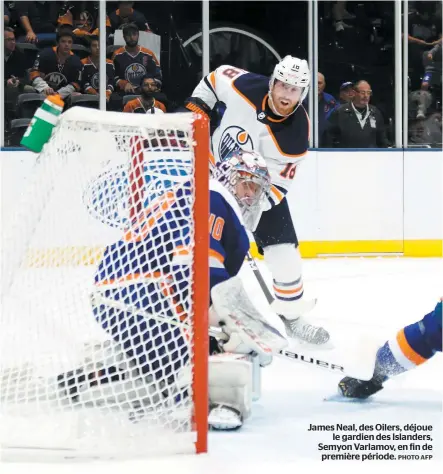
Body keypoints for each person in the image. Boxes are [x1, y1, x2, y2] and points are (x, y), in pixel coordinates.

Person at [58, 148, 287, 431]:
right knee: (206, 358)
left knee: (175, 360)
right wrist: (233, 321)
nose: (250, 194)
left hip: (122, 294)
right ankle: (219, 404)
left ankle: (95, 378)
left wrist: (225, 317)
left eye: (256, 187)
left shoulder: (201, 195)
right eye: (245, 183)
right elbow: (196, 264)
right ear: (228, 178)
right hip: (144, 294)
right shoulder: (215, 197)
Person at [183, 56, 330, 346]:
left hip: (256, 191)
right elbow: (214, 79)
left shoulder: (296, 133)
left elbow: (278, 184)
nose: (287, 95)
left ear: (303, 94)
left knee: (285, 256)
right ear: (272, 82)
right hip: (210, 173)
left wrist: (249, 206)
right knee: (203, 248)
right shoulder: (245, 85)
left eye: (295, 90)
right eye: (283, 86)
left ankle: (293, 318)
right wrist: (200, 104)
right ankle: (195, 310)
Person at [338, 299, 442, 399]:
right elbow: (432, 334)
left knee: (381, 367)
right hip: (411, 345)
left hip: (415, 345)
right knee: (380, 367)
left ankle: (364, 379)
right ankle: (360, 380)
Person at [323, 80, 389, 148]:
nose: (366, 96)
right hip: (346, 156)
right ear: (354, 93)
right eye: (362, 92)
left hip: (370, 156)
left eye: (368, 92)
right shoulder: (339, 112)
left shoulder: (375, 112)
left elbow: (382, 138)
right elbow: (329, 137)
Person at [29, 27, 82, 99]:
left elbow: (76, 84)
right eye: (63, 41)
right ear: (57, 43)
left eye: (69, 42)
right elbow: (33, 74)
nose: (66, 44)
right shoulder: (45, 54)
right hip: (43, 92)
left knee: (77, 95)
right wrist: (45, 88)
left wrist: (59, 94)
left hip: (63, 96)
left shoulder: (76, 61)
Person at [113, 23, 161, 96]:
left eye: (134, 34)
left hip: (146, 94)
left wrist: (149, 85)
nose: (132, 37)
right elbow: (112, 76)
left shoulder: (148, 54)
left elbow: (158, 75)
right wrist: (123, 83)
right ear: (124, 37)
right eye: (128, 35)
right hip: (125, 94)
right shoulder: (117, 55)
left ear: (138, 35)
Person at [80, 36, 115, 102]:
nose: (98, 48)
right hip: (89, 98)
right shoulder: (82, 63)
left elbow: (111, 81)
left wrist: (107, 93)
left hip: (106, 97)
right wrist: (96, 95)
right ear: (89, 48)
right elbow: (83, 83)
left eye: (100, 45)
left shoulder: (110, 63)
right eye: (94, 46)